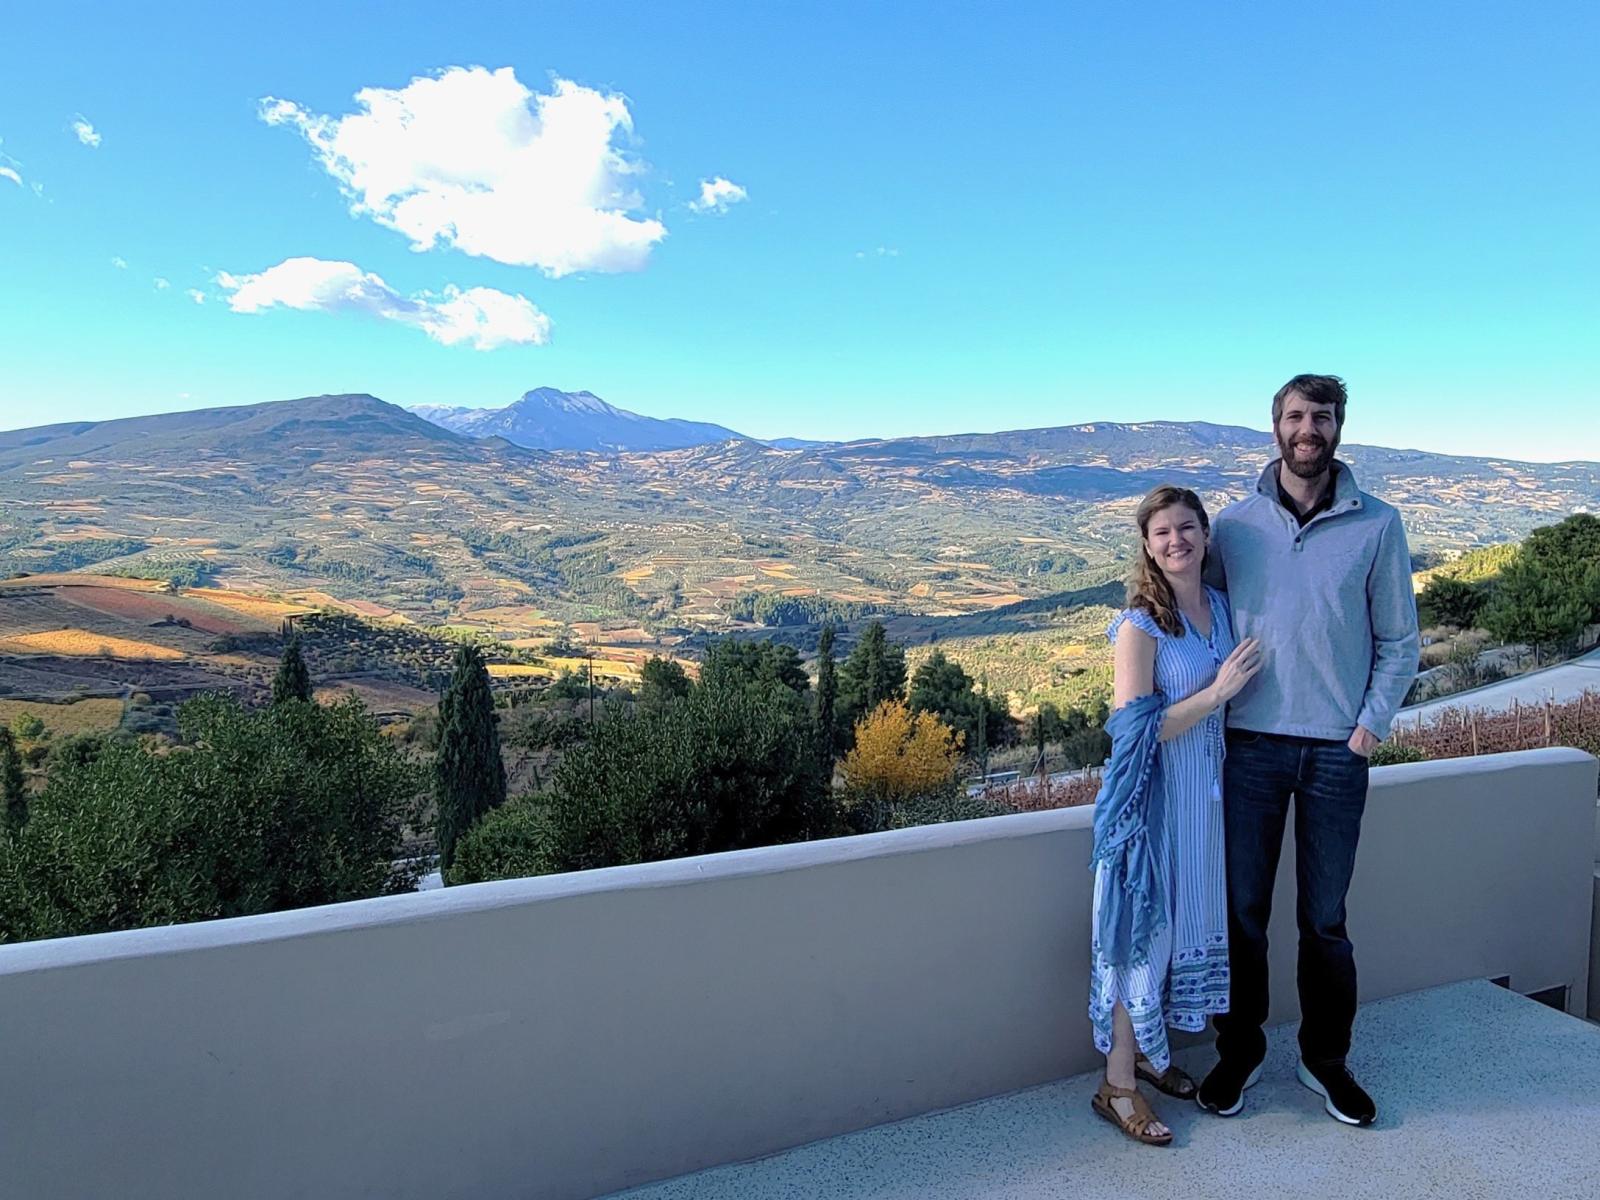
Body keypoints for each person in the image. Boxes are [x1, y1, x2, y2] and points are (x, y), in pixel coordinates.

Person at [1197, 374, 1420, 1127]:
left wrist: (1371, 726)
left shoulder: (1378, 524)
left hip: (1336, 752)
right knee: (1243, 913)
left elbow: (1400, 640)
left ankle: (1326, 1062)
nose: (1308, 428)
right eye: (1296, 415)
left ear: (1338, 427)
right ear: (1275, 427)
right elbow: (1201, 620)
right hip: (1250, 745)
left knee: (1324, 919)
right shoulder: (1233, 525)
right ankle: (1240, 1053)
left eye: (1321, 416)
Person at [1089, 485, 1263, 1146]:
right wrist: (1217, 693)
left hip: (1205, 803)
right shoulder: (1140, 625)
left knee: (1179, 933)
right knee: (1141, 940)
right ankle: (1118, 1086)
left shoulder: (1220, 608)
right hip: (1152, 809)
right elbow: (1136, 732)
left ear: (1205, 535)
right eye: (1161, 532)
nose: (1176, 541)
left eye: (1186, 528)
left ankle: (1148, 1062)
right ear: (1147, 544)